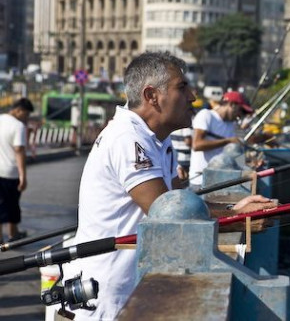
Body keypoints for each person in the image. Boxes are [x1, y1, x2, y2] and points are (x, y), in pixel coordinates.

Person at [64, 53, 275, 320]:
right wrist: (237, 215)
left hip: (137, 282)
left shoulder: (160, 141)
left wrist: (235, 210)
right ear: (152, 95)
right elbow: (168, 213)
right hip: (110, 290)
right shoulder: (127, 139)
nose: (193, 97)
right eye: (182, 87)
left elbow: (180, 201)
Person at [189, 91, 253, 188]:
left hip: (220, 182)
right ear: (232, 104)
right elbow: (197, 145)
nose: (240, 115)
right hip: (200, 181)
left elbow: (235, 155)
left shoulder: (232, 125)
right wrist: (227, 141)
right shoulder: (206, 115)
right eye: (240, 111)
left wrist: (247, 165)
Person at [0, 98, 34, 243]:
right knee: (12, 205)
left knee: (1, 204)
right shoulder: (18, 126)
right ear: (19, 110)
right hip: (10, 173)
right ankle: (13, 235)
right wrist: (23, 176)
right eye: (26, 114)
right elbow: (19, 151)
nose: (27, 118)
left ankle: (4, 237)